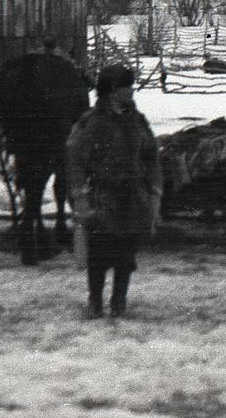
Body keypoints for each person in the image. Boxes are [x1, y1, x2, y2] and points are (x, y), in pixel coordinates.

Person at [66, 62, 162, 318]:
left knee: (126, 253)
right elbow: (75, 159)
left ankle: (119, 301)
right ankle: (95, 301)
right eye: (124, 87)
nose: (130, 92)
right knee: (99, 253)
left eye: (130, 87)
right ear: (109, 91)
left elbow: (151, 155)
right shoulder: (92, 123)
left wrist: (154, 188)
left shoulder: (138, 121)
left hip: (132, 197)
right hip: (103, 196)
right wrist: (80, 196)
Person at [0, 35, 93, 265]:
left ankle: (31, 234)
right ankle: (58, 223)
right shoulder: (67, 68)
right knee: (59, 174)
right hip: (56, 132)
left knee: (31, 181)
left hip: (23, 131)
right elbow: (81, 112)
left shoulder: (22, 67)